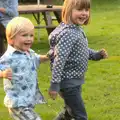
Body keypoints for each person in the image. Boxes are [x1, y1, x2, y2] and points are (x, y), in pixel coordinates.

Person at [48, 0, 108, 119]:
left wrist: (95, 55)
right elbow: (59, 60)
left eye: (86, 10)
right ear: (68, 11)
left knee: (69, 112)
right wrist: (55, 84)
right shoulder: (68, 33)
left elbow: (80, 49)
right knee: (80, 115)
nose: (84, 13)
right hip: (68, 83)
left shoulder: (75, 29)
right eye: (80, 10)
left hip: (73, 80)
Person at [0, 16, 49, 120]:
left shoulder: (29, 52)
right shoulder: (8, 57)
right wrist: (3, 74)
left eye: (31, 35)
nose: (29, 39)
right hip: (17, 102)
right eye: (24, 35)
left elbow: (37, 59)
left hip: (28, 99)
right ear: (11, 39)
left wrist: (47, 57)